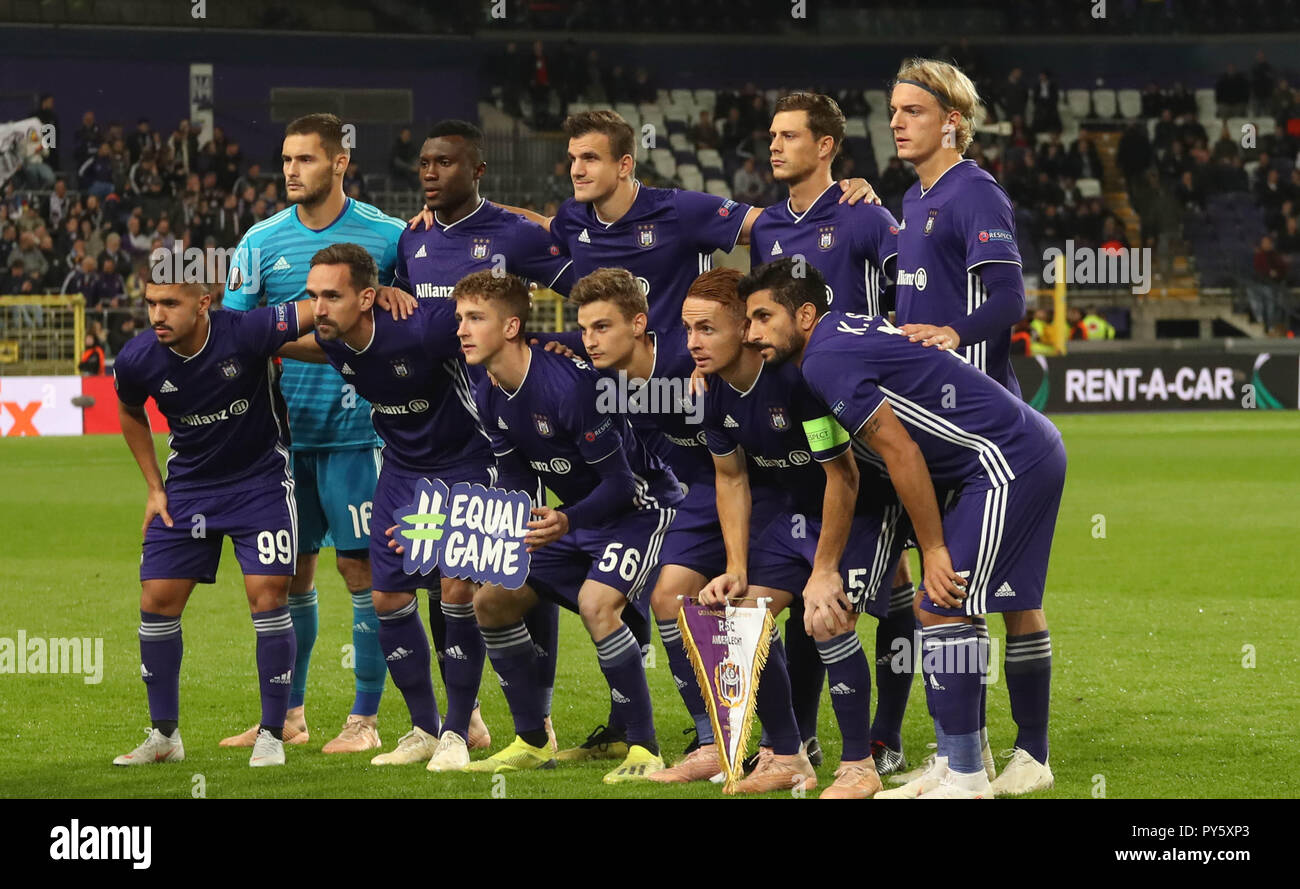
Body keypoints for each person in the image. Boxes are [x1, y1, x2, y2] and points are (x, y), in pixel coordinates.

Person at [742, 260, 1066, 799]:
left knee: (941, 602)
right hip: (995, 459)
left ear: (803, 314)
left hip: (1005, 460)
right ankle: (965, 760)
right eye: (748, 321)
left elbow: (900, 450)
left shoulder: (824, 359)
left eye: (763, 317)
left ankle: (968, 778)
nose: (753, 333)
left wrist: (933, 547)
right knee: (942, 607)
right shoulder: (838, 333)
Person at [220, 113, 410, 754]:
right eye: (286, 160)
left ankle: (364, 719)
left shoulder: (387, 238)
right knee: (291, 574)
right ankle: (290, 715)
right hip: (281, 438)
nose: (291, 171)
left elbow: (406, 330)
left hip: (363, 433)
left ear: (339, 163)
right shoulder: (259, 242)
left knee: (363, 571)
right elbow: (237, 334)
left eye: (305, 159)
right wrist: (331, 339)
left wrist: (315, 341)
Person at [454, 270, 682, 783]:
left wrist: (565, 519)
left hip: (642, 509)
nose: (462, 330)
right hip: (579, 517)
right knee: (490, 599)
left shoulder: (568, 387)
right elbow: (514, 477)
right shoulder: (487, 389)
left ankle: (644, 750)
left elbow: (623, 484)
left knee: (596, 605)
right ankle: (534, 742)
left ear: (511, 327)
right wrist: (471, 536)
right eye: (460, 319)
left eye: (475, 319)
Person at [692, 261, 909, 798]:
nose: (692, 343)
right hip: (796, 515)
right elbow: (731, 479)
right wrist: (736, 567)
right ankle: (788, 756)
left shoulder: (797, 379)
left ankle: (860, 765)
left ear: (745, 327)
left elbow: (845, 475)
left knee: (826, 615)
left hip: (862, 509)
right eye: (687, 329)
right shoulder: (712, 392)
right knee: (740, 619)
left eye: (706, 329)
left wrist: (824, 570)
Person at [395, 118, 576, 756]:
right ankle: (464, 724)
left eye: (444, 162)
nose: (429, 172)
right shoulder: (410, 243)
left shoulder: (515, 232)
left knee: (514, 562)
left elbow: (584, 281)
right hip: (444, 430)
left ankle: (534, 716)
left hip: (514, 421)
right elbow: (403, 314)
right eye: (423, 162)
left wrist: (564, 347)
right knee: (447, 582)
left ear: (477, 171)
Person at [748, 91, 912, 774]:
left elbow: (918, 293)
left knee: (881, 584)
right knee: (807, 580)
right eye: (772, 135)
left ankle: (883, 736)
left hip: (867, 426)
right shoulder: (764, 230)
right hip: (797, 433)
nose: (775, 146)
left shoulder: (864, 215)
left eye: (790, 135)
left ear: (827, 147)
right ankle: (802, 739)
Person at [290, 243, 494, 768]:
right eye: (313, 296)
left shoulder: (422, 329)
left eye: (332, 295)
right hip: (402, 473)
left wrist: (561, 349)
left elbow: (497, 321)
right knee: (387, 598)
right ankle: (424, 728)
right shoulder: (334, 339)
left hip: (467, 465)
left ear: (366, 297)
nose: (319, 306)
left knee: (456, 589)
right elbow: (291, 340)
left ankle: (458, 732)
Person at [110, 281, 317, 768]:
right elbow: (128, 409)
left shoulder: (246, 331)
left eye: (170, 304)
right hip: (188, 489)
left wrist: (378, 294)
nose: (157, 315)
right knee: (156, 600)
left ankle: (272, 733)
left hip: (259, 483)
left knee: (268, 595)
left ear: (203, 304)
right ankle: (164, 736)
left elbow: (322, 305)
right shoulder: (139, 358)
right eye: (151, 305)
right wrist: (153, 486)